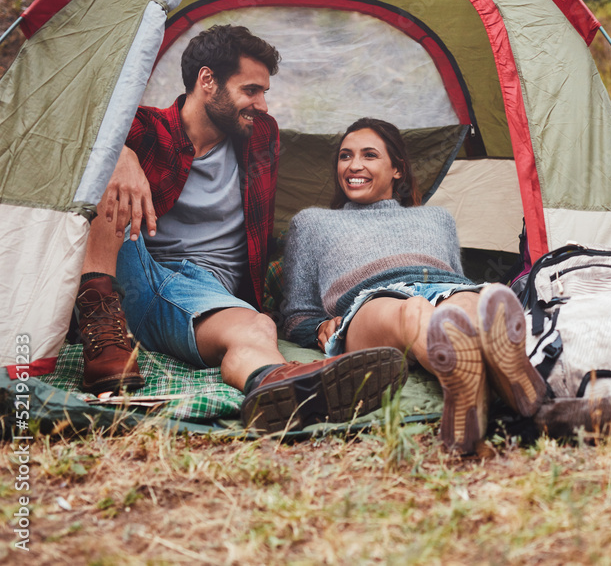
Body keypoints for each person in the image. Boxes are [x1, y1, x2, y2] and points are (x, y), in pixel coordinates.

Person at [73, 25, 406, 432]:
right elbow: (70, 124)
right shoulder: (148, 130)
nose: (262, 104)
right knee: (103, 167)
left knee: (257, 326)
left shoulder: (260, 134)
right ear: (207, 81)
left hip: (205, 290)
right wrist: (120, 153)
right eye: (251, 90)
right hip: (140, 275)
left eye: (264, 91)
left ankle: (280, 387)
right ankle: (101, 328)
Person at [280, 117, 547, 454]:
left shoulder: (437, 218)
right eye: (345, 156)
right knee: (414, 312)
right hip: (371, 302)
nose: (354, 165)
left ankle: (486, 369)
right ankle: (474, 375)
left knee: (465, 307)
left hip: (444, 288)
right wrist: (318, 326)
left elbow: (454, 279)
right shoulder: (312, 223)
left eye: (369, 155)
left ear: (397, 170)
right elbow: (295, 315)